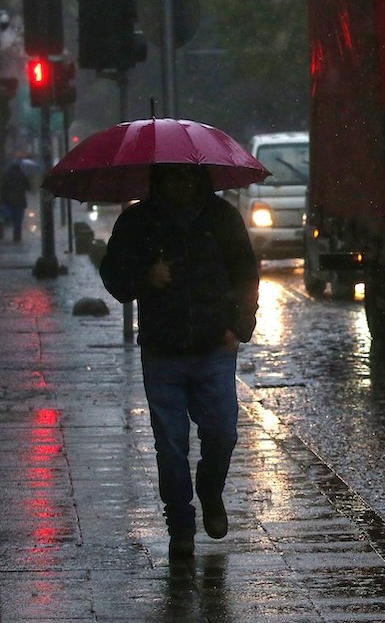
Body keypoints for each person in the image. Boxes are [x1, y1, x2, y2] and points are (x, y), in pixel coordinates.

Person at [99, 163, 259, 560]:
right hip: (162, 350)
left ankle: (210, 490)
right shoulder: (138, 221)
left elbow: (247, 272)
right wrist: (145, 276)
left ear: (200, 177)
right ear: (159, 180)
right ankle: (180, 527)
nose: (181, 185)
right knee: (170, 446)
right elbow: (114, 277)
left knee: (222, 433)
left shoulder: (222, 218)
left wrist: (237, 326)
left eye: (188, 176)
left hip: (214, 348)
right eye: (172, 177)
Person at [0, 152, 31, 242]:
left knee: (7, 218)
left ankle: (2, 232)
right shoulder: (22, 175)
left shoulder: (6, 176)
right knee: (18, 221)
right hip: (20, 202)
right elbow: (28, 187)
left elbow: (3, 189)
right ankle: (17, 236)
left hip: (9, 202)